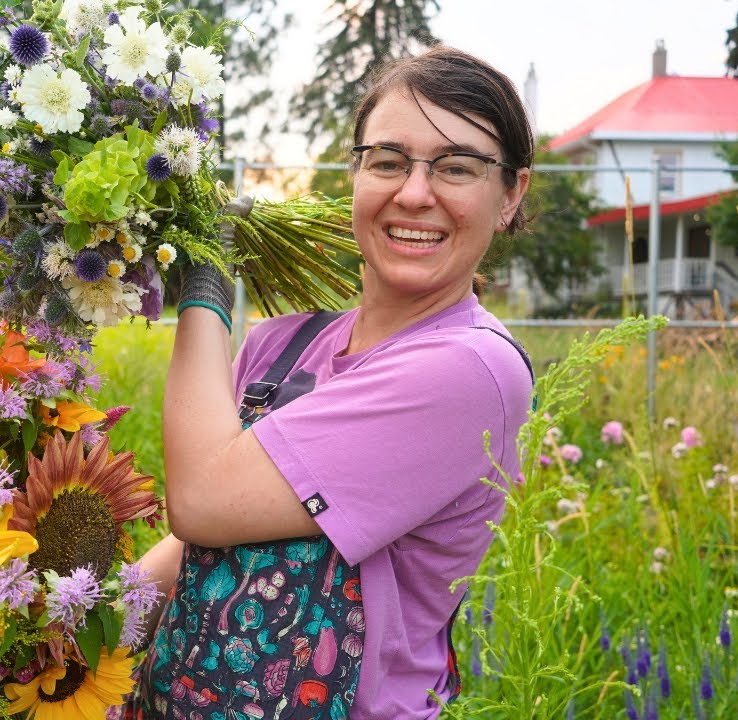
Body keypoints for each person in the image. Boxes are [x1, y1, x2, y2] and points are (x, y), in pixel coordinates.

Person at [133, 46, 536, 719]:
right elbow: (208, 537)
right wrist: (76, 626)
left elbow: (203, 500)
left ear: (510, 194)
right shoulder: (282, 344)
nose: (414, 193)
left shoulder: (468, 370)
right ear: (356, 173)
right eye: (388, 161)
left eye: (456, 167)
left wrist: (204, 284)